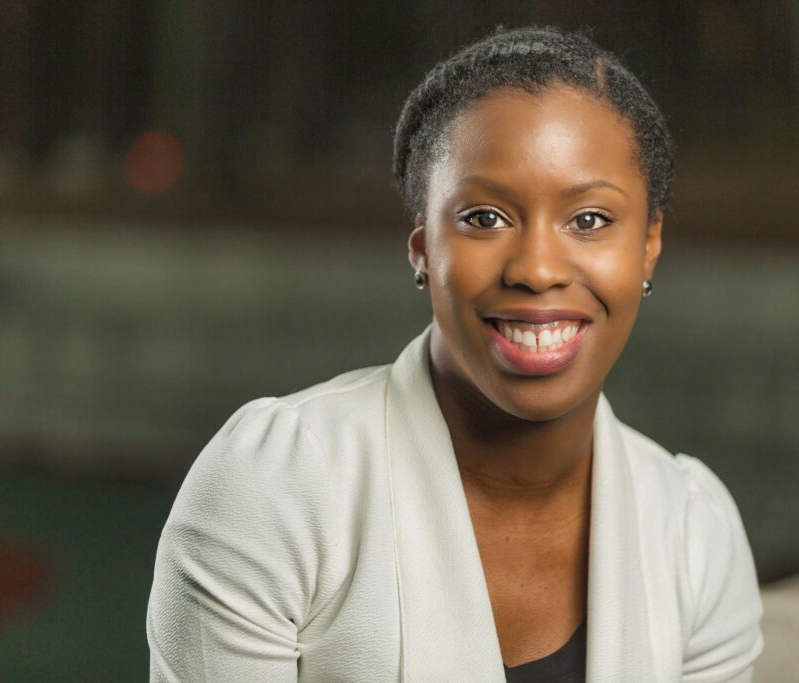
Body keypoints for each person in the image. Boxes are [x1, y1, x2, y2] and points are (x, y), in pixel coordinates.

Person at [146, 25, 764, 682]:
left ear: (648, 244)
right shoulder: (277, 486)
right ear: (422, 248)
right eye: (484, 218)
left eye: (588, 220)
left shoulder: (694, 530)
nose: (537, 269)